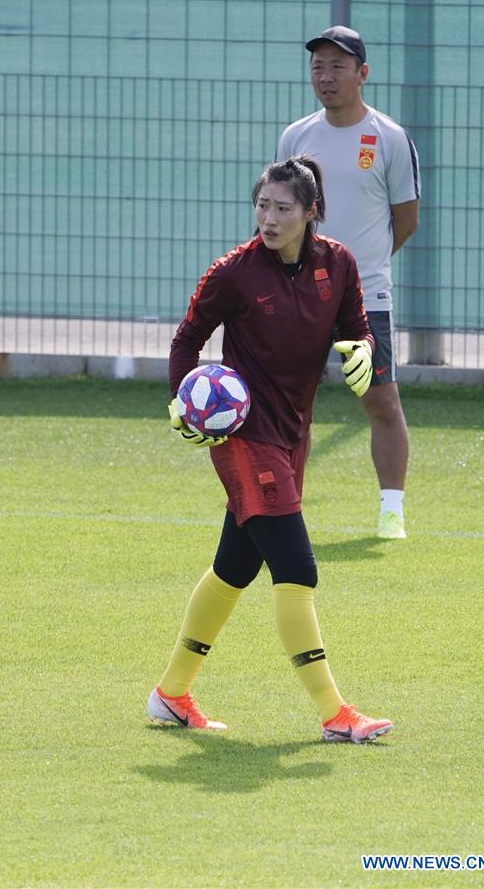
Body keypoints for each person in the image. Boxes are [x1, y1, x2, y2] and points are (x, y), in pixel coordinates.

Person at [146, 156, 393, 743]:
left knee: (235, 566)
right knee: (297, 567)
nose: (269, 218)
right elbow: (188, 340)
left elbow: (358, 328)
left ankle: (171, 694)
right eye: (262, 205)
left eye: (283, 208)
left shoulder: (339, 264)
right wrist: (183, 401)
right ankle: (335, 714)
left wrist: (363, 352)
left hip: (291, 435)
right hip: (242, 437)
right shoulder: (233, 272)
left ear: (312, 213)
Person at [277, 26, 420, 540]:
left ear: (362, 73)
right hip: (300, 295)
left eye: (338, 66)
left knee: (381, 401)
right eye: (318, 66)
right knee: (292, 404)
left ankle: (391, 511)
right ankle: (286, 509)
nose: (326, 76)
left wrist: (357, 271)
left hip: (366, 298)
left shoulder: (390, 138)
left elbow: (405, 218)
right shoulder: (296, 136)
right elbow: (286, 211)